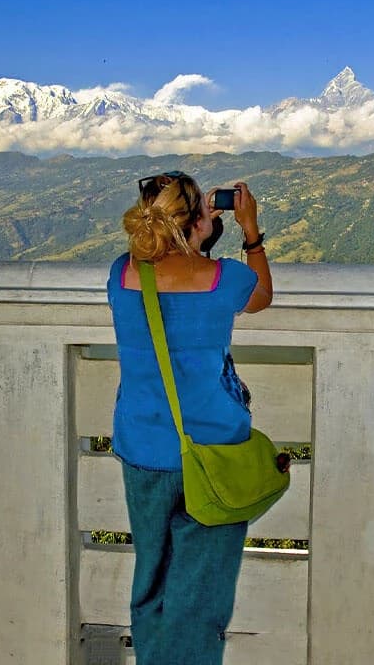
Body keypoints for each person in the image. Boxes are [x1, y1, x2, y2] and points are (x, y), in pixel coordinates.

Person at [106, 170, 273, 665]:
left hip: (143, 448)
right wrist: (249, 229)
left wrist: (193, 227)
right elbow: (261, 296)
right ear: (199, 219)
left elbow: (159, 261)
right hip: (215, 451)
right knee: (199, 595)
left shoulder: (122, 274)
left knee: (153, 580)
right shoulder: (226, 278)